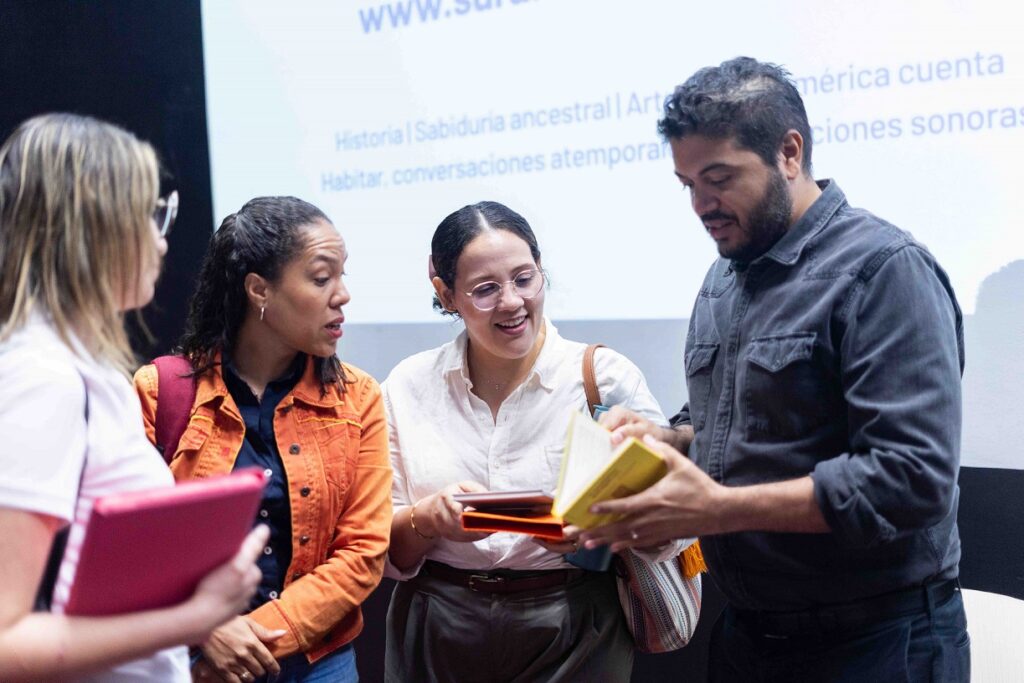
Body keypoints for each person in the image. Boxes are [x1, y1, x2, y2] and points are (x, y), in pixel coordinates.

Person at [579, 57, 970, 681]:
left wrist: (718, 508)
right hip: (749, 637)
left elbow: (910, 479)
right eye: (687, 184)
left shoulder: (884, 270)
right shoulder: (722, 280)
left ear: (789, 152)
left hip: (875, 642)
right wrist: (669, 439)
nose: (701, 205)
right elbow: (727, 423)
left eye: (719, 178)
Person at [0, 113, 266, 682]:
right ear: (96, 227)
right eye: (150, 214)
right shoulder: (43, 377)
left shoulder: (81, 368)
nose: (161, 238)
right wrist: (195, 618)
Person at [382, 201, 681, 682]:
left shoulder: (602, 378)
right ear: (446, 293)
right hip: (437, 624)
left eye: (524, 279)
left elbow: (673, 526)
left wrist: (594, 533)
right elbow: (380, 548)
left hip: (576, 623)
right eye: (485, 289)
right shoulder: (407, 385)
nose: (512, 302)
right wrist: (428, 519)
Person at [133, 197, 392, 682]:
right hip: (197, 656)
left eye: (343, 276)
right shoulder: (160, 391)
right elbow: (137, 545)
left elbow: (363, 552)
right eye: (321, 278)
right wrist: (207, 630)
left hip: (320, 662)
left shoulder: (357, 397)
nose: (342, 295)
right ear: (259, 290)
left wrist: (250, 640)